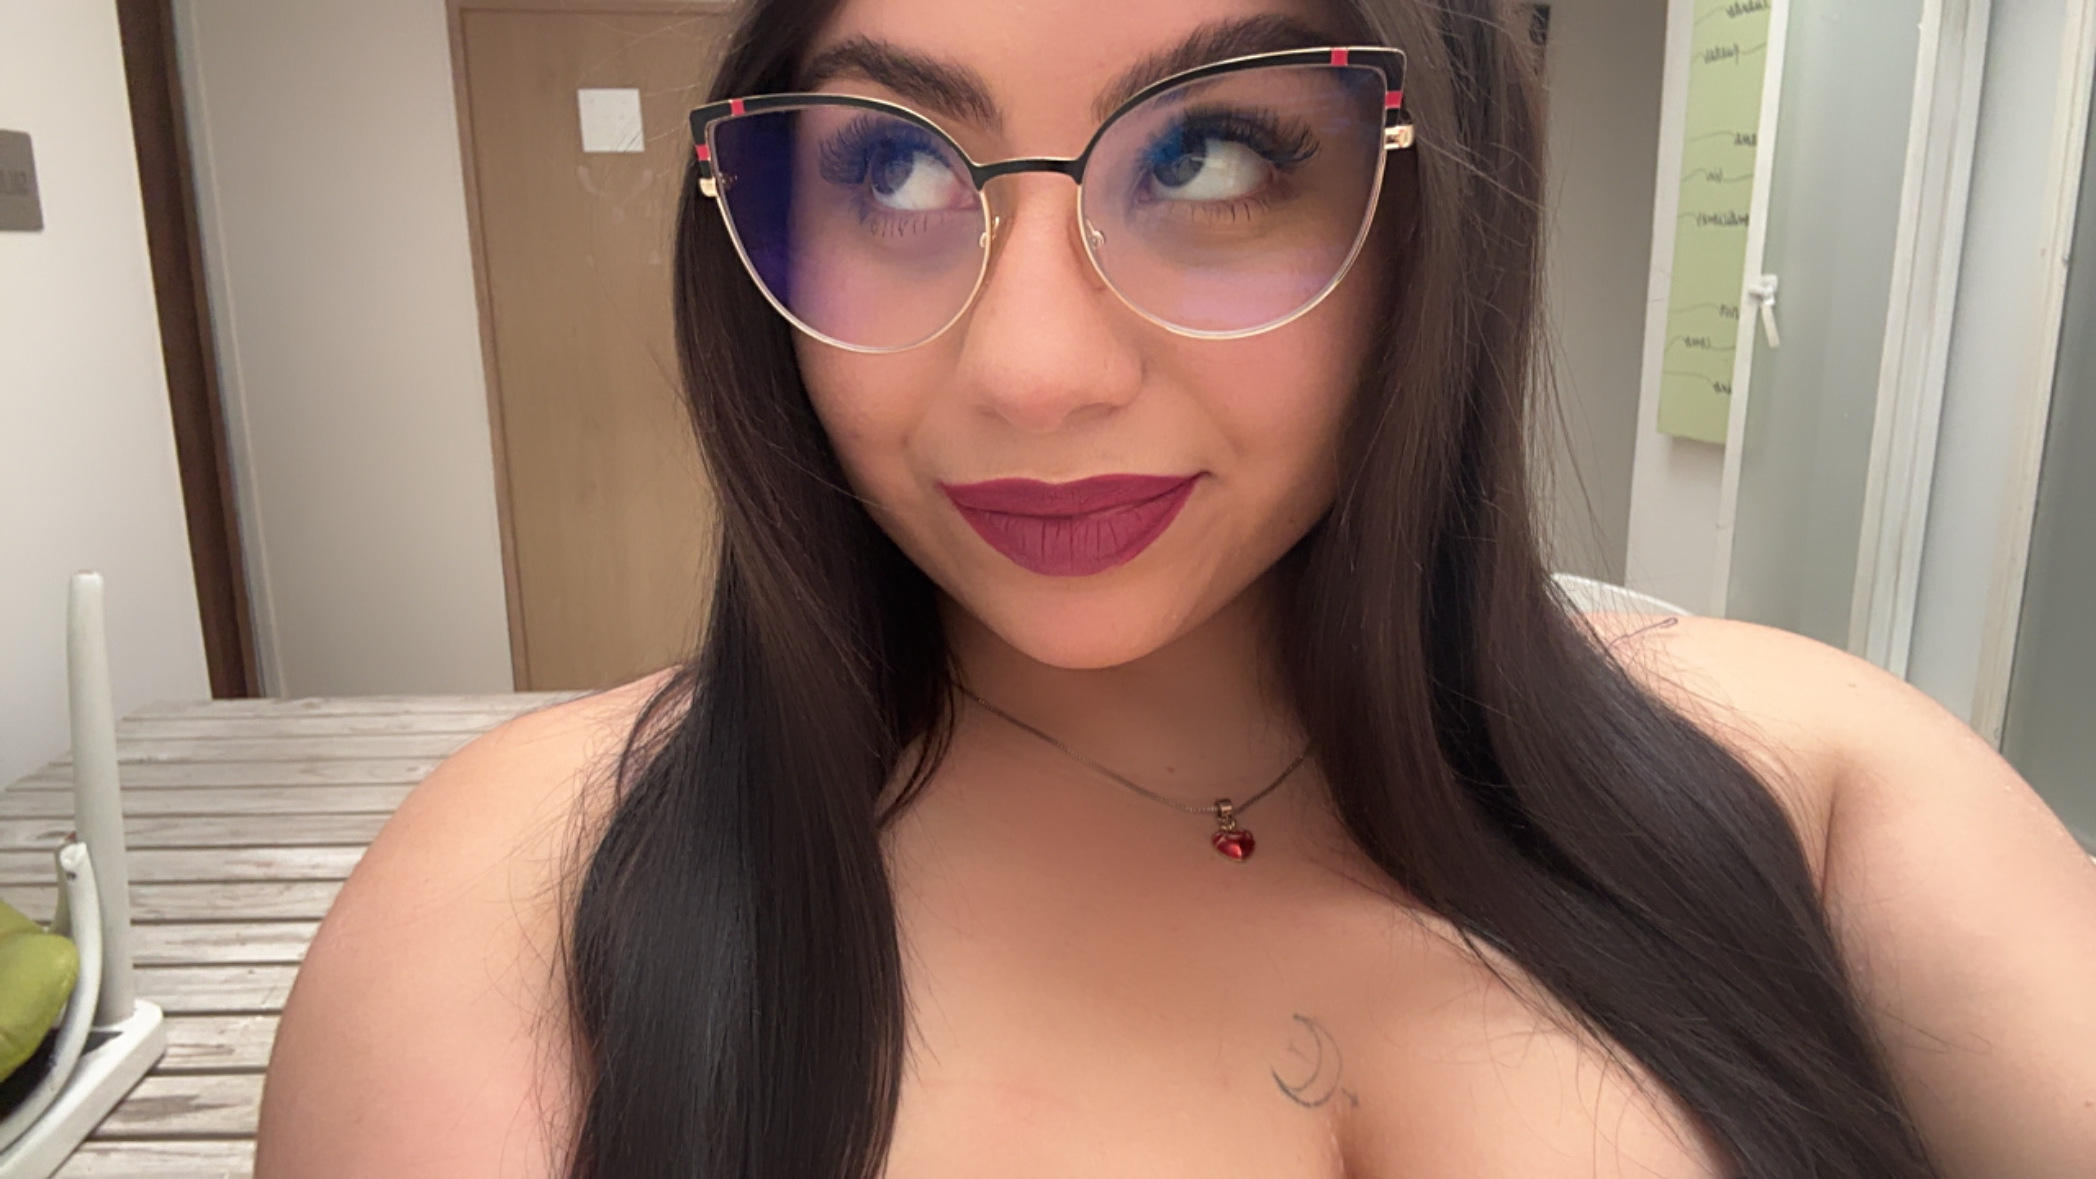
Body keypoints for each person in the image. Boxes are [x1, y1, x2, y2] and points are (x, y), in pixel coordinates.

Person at [253, 0, 2096, 1174]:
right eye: (891, 164)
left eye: (1214, 157)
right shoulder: (525, 900)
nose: (1034, 371)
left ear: (1434, 211)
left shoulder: (1818, 787)